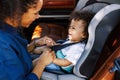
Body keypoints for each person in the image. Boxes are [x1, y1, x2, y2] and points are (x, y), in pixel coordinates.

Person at [0, 0, 55, 80]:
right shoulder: (3, 45)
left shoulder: (11, 29)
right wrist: (41, 64)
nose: (38, 16)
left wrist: (34, 44)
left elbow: (17, 57)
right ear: (17, 13)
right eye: (35, 13)